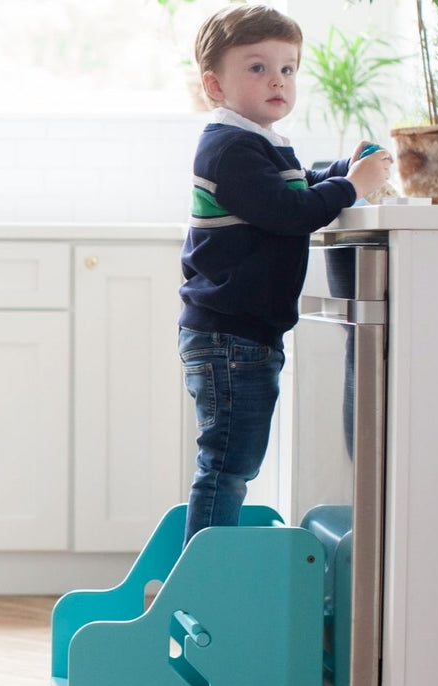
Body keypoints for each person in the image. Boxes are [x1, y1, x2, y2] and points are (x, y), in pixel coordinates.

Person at [178, 4, 391, 546]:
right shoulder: (231, 148)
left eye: (288, 68)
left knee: (231, 462)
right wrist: (353, 187)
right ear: (214, 84)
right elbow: (290, 211)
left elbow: (297, 186)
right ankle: (204, 582)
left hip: (241, 333)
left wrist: (345, 171)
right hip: (231, 337)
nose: (277, 80)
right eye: (257, 67)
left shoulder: (257, 142)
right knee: (228, 465)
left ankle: (208, 571)